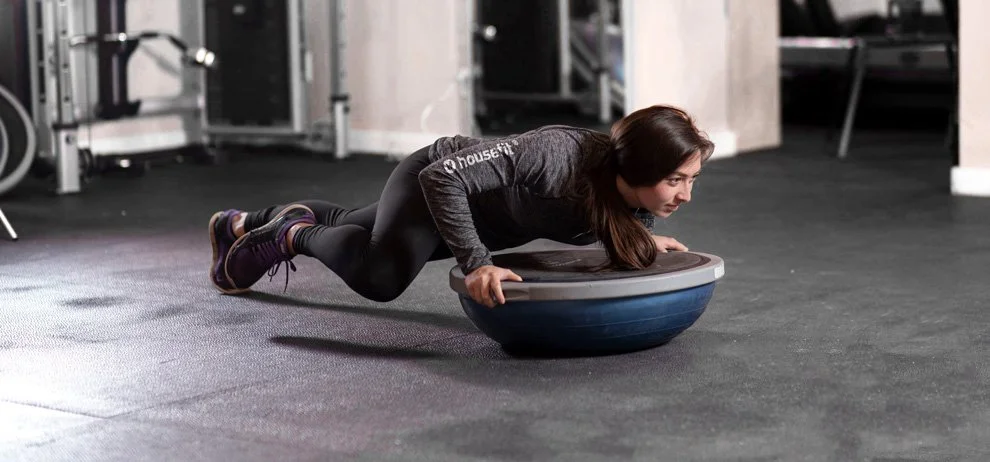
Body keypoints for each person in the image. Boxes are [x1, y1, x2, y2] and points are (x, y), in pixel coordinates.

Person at [208, 104, 714, 308]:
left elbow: (607, 221)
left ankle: (240, 223)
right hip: (439, 182)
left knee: (353, 228)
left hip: (487, 216)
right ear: (640, 167)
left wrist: (639, 238)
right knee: (381, 277)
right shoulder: (557, 156)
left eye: (690, 180)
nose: (685, 195)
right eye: (675, 180)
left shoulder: (638, 209)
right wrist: (476, 261)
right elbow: (441, 178)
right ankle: (289, 234)